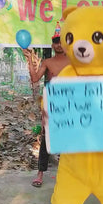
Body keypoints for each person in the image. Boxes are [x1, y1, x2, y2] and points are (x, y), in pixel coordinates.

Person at [22, 22, 69, 188]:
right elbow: (35, 79)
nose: (59, 44)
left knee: (70, 138)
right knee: (46, 137)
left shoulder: (75, 61)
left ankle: (67, 173)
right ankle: (40, 173)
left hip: (70, 104)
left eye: (62, 41)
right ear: (52, 44)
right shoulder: (48, 62)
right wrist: (29, 59)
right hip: (51, 103)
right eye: (56, 41)